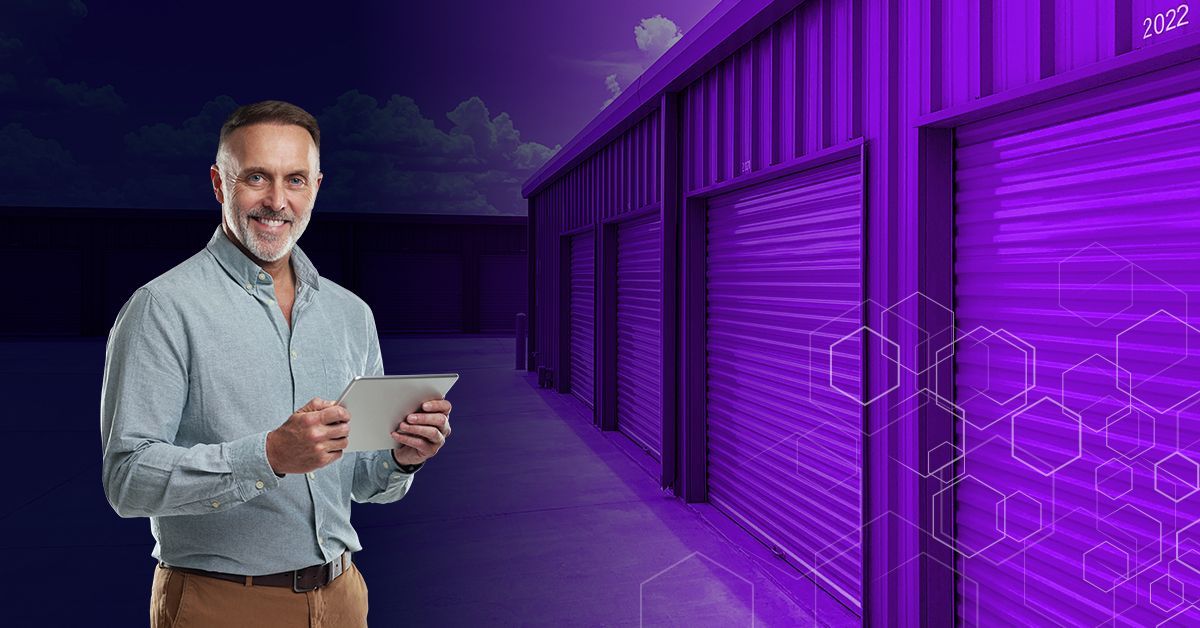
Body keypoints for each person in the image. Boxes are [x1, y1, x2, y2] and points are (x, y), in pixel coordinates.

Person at [99, 100, 452, 627]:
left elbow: (359, 480)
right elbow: (127, 480)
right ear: (220, 184)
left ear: (316, 187)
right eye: (257, 178)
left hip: (343, 596)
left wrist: (401, 458)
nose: (277, 200)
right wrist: (267, 455)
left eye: (296, 180)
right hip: (222, 604)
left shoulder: (350, 313)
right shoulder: (164, 307)